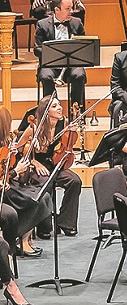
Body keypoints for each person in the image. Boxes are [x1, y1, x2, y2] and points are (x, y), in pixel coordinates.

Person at [16, 96, 82, 238]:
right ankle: (44, 226)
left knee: (75, 181)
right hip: (38, 166)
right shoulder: (35, 127)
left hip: (56, 163)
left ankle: (65, 223)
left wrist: (72, 132)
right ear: (46, 111)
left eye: (59, 105)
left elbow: (67, 144)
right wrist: (34, 162)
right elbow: (19, 148)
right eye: (54, 106)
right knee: (45, 182)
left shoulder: (63, 123)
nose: (59, 108)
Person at [0, 106, 52, 259]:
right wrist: (16, 171)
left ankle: (22, 238)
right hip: (4, 189)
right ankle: (19, 239)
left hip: (8, 184)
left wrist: (16, 153)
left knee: (43, 196)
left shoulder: (6, 142)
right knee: (34, 200)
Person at [34, 0, 86, 110]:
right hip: (50, 63)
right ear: (57, 10)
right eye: (68, 9)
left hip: (72, 63)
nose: (71, 11)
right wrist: (53, 52)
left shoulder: (77, 23)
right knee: (46, 76)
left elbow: (84, 44)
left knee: (79, 75)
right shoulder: (42, 25)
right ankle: (53, 110)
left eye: (71, 8)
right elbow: (37, 49)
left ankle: (76, 112)